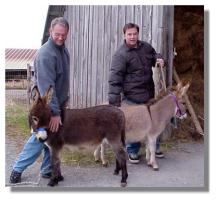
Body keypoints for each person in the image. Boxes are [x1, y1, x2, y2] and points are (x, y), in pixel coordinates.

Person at [9, 17, 70, 183]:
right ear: (50, 31)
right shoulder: (46, 54)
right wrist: (55, 113)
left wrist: (65, 100)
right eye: (57, 34)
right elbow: (46, 87)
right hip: (44, 107)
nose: (60, 38)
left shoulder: (64, 51)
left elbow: (62, 80)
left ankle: (46, 169)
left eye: (63, 35)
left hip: (57, 103)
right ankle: (17, 169)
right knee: (40, 137)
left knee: (53, 136)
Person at [108, 23, 165, 164]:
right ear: (124, 35)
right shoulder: (120, 55)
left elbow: (154, 56)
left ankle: (154, 147)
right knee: (134, 124)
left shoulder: (145, 47)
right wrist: (114, 103)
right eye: (129, 34)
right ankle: (132, 151)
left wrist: (159, 59)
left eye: (135, 34)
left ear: (138, 34)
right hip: (132, 96)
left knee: (154, 121)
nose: (132, 37)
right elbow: (115, 79)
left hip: (148, 94)